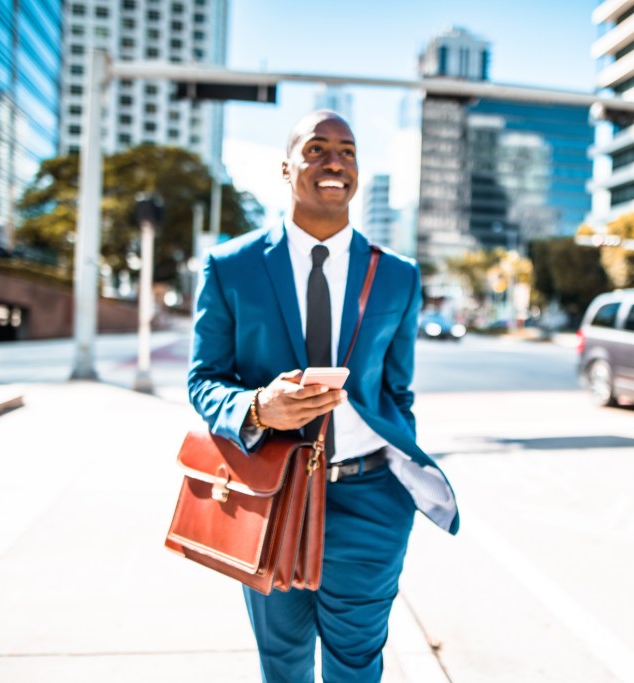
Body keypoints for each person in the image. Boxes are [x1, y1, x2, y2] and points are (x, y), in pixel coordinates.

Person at [188, 110, 459, 683]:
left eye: (348, 151)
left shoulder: (398, 276)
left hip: (369, 501)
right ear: (286, 167)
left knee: (357, 664)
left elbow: (397, 390)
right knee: (282, 661)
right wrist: (258, 407)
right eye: (317, 149)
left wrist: (390, 474)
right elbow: (203, 379)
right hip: (271, 493)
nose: (334, 161)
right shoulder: (230, 267)